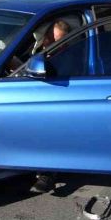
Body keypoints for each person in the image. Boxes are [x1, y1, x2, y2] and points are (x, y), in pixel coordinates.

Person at [30, 20, 71, 194]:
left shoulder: (67, 57)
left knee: (49, 126)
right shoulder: (36, 50)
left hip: (62, 101)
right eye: (51, 39)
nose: (54, 44)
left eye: (60, 41)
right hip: (37, 98)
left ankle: (48, 174)